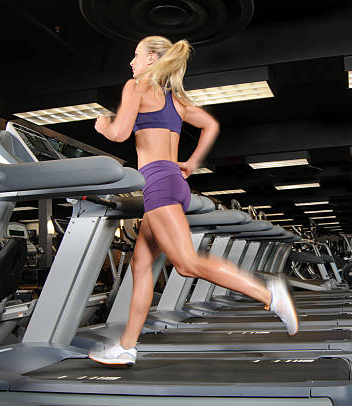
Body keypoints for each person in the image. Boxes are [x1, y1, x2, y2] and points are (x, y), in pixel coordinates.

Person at [88, 36, 299, 366]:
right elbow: (211, 125)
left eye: (136, 56)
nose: (131, 62)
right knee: (141, 265)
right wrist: (191, 163)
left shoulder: (137, 86)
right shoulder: (176, 101)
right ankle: (126, 345)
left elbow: (119, 133)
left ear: (152, 60)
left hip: (157, 181)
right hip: (171, 179)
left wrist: (103, 125)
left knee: (186, 264)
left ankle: (269, 296)